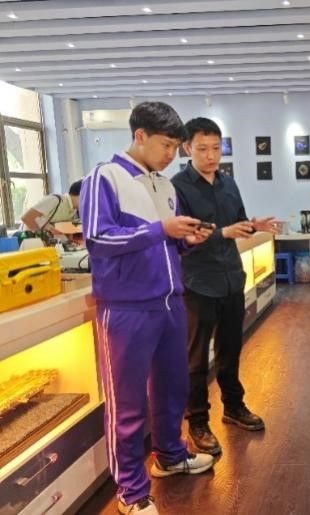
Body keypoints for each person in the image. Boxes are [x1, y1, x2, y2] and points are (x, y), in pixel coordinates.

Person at [80, 102, 215, 515]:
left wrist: (183, 240)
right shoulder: (105, 176)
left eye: (176, 146)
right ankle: (131, 491)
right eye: (165, 145)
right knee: (128, 403)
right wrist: (160, 230)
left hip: (170, 302)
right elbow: (97, 239)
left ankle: (170, 455)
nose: (172, 154)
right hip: (126, 308)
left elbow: (161, 242)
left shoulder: (165, 186)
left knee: (173, 387)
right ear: (139, 136)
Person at [171, 117, 276, 456]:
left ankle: (233, 406)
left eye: (216, 148)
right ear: (187, 148)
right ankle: (197, 421)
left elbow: (237, 222)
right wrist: (222, 233)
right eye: (202, 149)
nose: (211, 156)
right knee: (196, 358)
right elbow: (184, 235)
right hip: (198, 282)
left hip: (231, 278)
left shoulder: (228, 183)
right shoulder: (178, 187)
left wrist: (253, 225)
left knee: (231, 349)